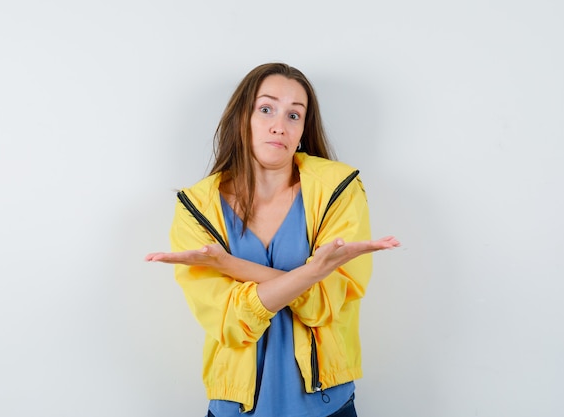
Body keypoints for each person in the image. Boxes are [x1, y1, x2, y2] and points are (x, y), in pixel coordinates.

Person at [145, 63, 400, 417]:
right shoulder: (196, 207)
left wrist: (230, 264)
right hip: (236, 408)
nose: (280, 125)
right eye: (266, 109)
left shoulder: (338, 189)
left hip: (327, 404)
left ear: (302, 130)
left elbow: (321, 307)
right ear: (242, 118)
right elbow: (232, 322)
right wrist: (313, 272)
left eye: (294, 115)